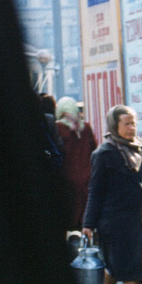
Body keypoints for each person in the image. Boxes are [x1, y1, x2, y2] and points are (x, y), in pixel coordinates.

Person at [82, 105, 142, 284]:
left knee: (117, 267)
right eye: (126, 123)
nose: (131, 128)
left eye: (133, 122)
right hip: (113, 222)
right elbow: (95, 191)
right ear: (114, 125)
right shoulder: (104, 154)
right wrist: (88, 223)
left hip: (137, 220)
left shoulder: (140, 149)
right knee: (128, 267)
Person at [55, 97, 97, 231]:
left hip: (67, 179)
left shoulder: (58, 128)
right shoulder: (86, 128)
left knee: (71, 219)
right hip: (87, 177)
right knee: (86, 217)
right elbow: (94, 150)